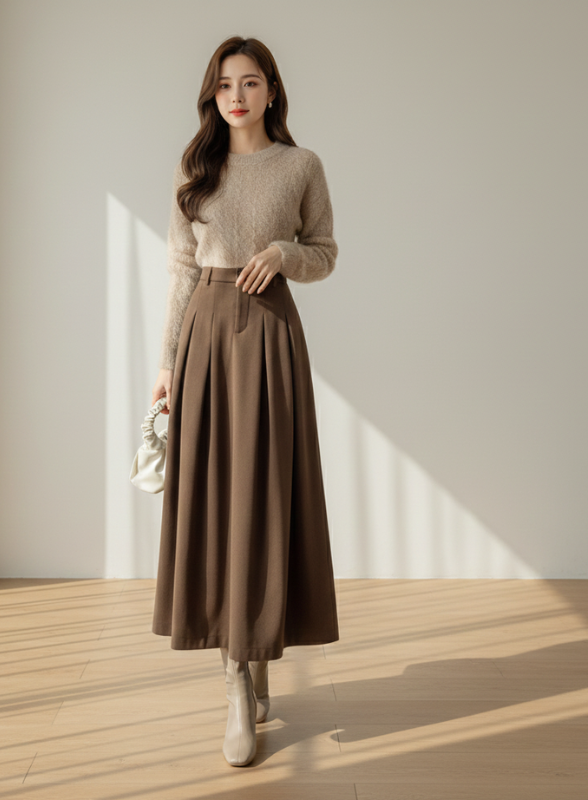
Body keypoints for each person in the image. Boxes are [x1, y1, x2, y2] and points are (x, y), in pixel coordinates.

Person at [150, 35, 339, 767]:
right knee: (217, 501)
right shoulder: (195, 169)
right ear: (212, 93)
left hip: (269, 336)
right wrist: (165, 366)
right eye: (225, 83)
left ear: (270, 91)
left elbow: (325, 251)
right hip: (205, 336)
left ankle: (258, 650)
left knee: (265, 496)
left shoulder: (301, 166)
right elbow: (178, 271)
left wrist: (283, 255)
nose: (237, 94)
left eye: (251, 82)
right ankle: (234, 676)